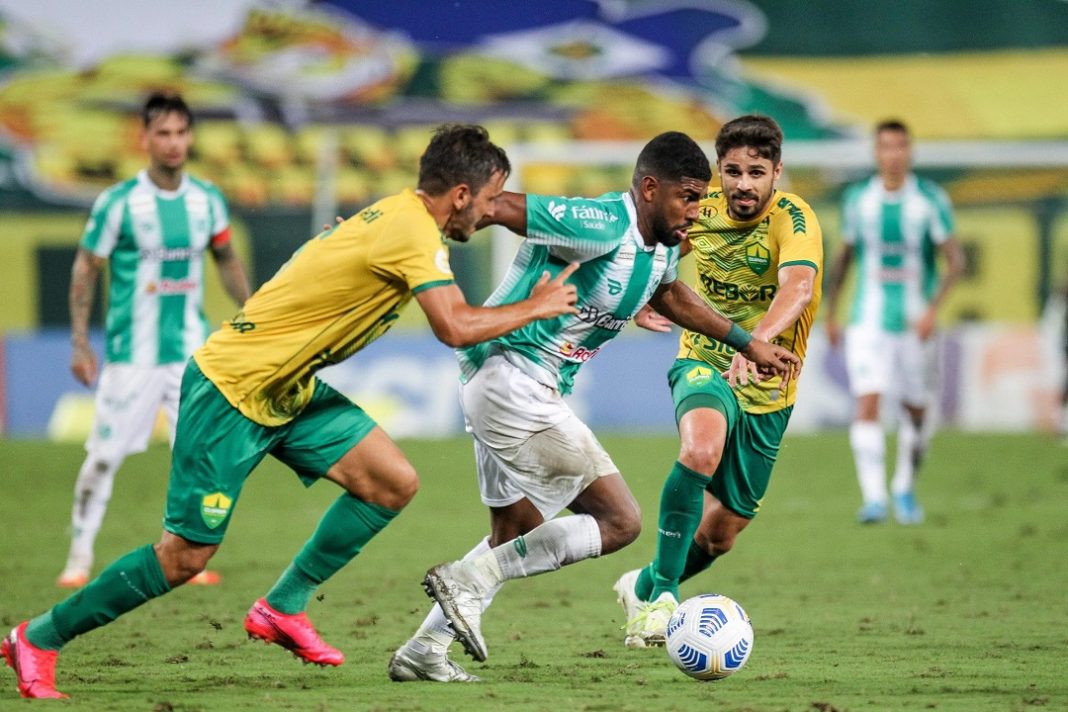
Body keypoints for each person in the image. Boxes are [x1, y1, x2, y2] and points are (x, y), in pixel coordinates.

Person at [2, 123, 583, 700]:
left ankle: (282, 607)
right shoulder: (411, 231)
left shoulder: (390, 214)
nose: (485, 217)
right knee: (184, 557)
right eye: (484, 203)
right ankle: (39, 637)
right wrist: (535, 307)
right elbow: (454, 326)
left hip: (287, 387)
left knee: (390, 482)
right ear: (460, 194)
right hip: (232, 388)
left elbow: (322, 259)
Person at [388, 130, 802, 683]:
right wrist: (403, 235)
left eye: (702, 198)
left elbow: (668, 293)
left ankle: (424, 649)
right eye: (687, 197)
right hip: (513, 380)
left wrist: (746, 341)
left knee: (514, 531)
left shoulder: (658, 248)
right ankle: (471, 580)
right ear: (650, 189)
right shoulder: (601, 221)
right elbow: (500, 207)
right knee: (619, 521)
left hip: (506, 385)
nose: (698, 211)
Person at [613, 114, 822, 649]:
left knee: (721, 534)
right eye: (732, 171)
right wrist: (635, 298)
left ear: (777, 172)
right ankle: (660, 599)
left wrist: (760, 342)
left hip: (770, 388)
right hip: (704, 360)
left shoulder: (795, 220)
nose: (743, 184)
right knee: (700, 449)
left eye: (756, 172)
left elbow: (797, 288)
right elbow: (654, 258)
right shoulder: (699, 212)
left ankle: (639, 585)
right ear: (718, 172)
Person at [57, 92, 252, 590]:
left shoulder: (206, 199)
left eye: (181, 132)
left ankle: (184, 558)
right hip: (131, 358)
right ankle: (78, 557)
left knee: (194, 458)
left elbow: (226, 259)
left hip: (190, 355)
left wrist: (252, 315)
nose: (173, 143)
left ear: (190, 137)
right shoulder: (119, 203)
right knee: (103, 457)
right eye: (162, 133)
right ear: (144, 139)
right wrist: (81, 341)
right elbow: (86, 267)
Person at [824, 119, 964, 525]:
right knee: (868, 400)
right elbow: (845, 258)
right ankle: (874, 498)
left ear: (910, 151)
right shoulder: (858, 200)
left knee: (916, 410)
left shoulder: (929, 200)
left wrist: (933, 309)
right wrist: (832, 313)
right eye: (885, 147)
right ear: (875, 152)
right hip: (867, 319)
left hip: (914, 320)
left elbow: (955, 260)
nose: (893, 155)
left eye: (900, 146)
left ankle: (904, 486)